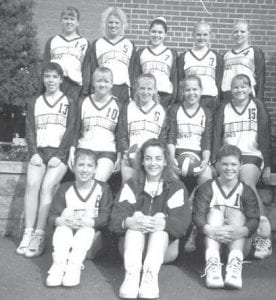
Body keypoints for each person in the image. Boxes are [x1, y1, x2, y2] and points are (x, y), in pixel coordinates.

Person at [110, 138, 191, 299]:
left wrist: (163, 223)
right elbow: (114, 220)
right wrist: (128, 222)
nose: (153, 163)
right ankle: (131, 276)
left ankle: (150, 277)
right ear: (141, 161)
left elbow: (182, 224)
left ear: (166, 161)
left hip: (164, 249)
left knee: (161, 220)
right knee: (135, 219)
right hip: (131, 248)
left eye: (158, 158)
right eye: (148, 158)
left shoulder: (176, 187)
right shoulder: (131, 184)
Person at [16, 62, 76, 257]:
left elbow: (71, 130)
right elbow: (30, 129)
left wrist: (60, 155)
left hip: (59, 154)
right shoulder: (36, 102)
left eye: (54, 77)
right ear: (43, 79)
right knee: (32, 184)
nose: (50, 80)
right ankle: (28, 232)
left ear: (60, 79)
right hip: (39, 151)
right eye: (47, 76)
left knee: (47, 186)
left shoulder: (69, 101)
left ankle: (40, 234)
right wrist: (33, 151)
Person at [213, 73, 272, 260]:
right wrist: (215, 159)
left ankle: (263, 235)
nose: (239, 90)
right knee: (215, 180)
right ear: (231, 89)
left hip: (251, 154)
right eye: (236, 87)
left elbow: (265, 135)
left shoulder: (257, 106)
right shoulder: (224, 107)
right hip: (229, 154)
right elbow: (216, 134)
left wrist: (268, 165)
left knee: (246, 181)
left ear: (249, 88)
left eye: (243, 86)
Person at [193, 144, 260, 289]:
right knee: (214, 213)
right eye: (224, 164)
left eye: (233, 164)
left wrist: (241, 231)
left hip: (238, 243)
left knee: (237, 213)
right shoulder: (207, 188)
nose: (229, 168)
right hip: (209, 242)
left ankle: (234, 268)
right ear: (217, 164)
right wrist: (209, 230)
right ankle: (213, 265)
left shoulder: (246, 191)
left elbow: (254, 219)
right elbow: (197, 216)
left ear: (240, 165)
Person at [46, 148, 113, 287]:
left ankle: (73, 267)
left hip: (91, 240)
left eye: (89, 166)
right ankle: (58, 266)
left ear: (95, 169)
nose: (85, 169)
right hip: (66, 237)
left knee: (86, 230)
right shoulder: (65, 187)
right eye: (81, 165)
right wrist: (61, 221)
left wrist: (87, 222)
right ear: (73, 167)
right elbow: (52, 215)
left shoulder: (103, 188)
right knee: (62, 227)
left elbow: (106, 217)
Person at [167, 75, 213, 252]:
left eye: (195, 89)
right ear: (182, 91)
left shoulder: (206, 112)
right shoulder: (175, 109)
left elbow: (207, 140)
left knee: (207, 176)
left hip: (197, 156)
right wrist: (171, 160)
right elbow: (171, 137)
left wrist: (205, 161)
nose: (191, 93)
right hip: (177, 153)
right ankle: (172, 230)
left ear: (201, 91)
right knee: (169, 177)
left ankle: (195, 229)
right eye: (188, 89)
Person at [69, 67, 121, 183]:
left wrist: (120, 155)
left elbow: (120, 133)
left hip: (107, 151)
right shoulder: (83, 102)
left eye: (106, 81)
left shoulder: (117, 105)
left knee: (97, 181)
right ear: (93, 83)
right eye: (99, 81)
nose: (102, 84)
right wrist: (71, 152)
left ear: (112, 84)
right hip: (84, 148)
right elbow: (76, 129)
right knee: (84, 180)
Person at [118, 73, 167, 182]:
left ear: (155, 90)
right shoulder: (128, 107)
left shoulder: (161, 110)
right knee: (128, 186)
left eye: (149, 89)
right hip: (131, 156)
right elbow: (122, 135)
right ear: (136, 89)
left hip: (151, 158)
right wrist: (126, 152)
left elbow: (162, 139)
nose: (145, 92)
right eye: (142, 88)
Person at [82, 7, 135, 103]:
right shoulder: (97, 44)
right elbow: (93, 70)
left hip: (122, 89)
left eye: (116, 22)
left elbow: (132, 73)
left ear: (122, 24)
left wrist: (134, 92)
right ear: (105, 24)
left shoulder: (129, 44)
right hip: (102, 89)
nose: (113, 25)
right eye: (110, 22)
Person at [43, 7, 89, 102]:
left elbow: (86, 69)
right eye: (66, 19)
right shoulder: (53, 41)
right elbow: (45, 66)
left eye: (72, 19)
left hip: (75, 87)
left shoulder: (84, 43)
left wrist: (85, 91)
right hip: (55, 85)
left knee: (72, 115)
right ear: (61, 21)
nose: (69, 22)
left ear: (77, 23)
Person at [178, 21, 223, 113]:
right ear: (193, 35)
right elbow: (181, 81)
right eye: (198, 34)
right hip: (190, 99)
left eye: (205, 35)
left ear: (210, 35)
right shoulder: (184, 57)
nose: (201, 38)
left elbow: (218, 81)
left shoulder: (217, 57)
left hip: (210, 99)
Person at [134, 17, 178, 108]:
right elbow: (136, 76)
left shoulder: (172, 53)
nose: (156, 35)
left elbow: (174, 78)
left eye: (160, 32)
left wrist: (173, 100)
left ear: (165, 34)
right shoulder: (141, 53)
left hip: (165, 96)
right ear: (149, 32)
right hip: (146, 95)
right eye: (153, 31)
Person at [221, 20, 265, 102]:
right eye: (236, 32)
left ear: (249, 33)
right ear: (232, 34)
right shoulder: (226, 55)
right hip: (227, 95)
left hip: (246, 95)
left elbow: (261, 79)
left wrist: (258, 101)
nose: (239, 34)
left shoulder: (255, 52)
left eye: (242, 31)